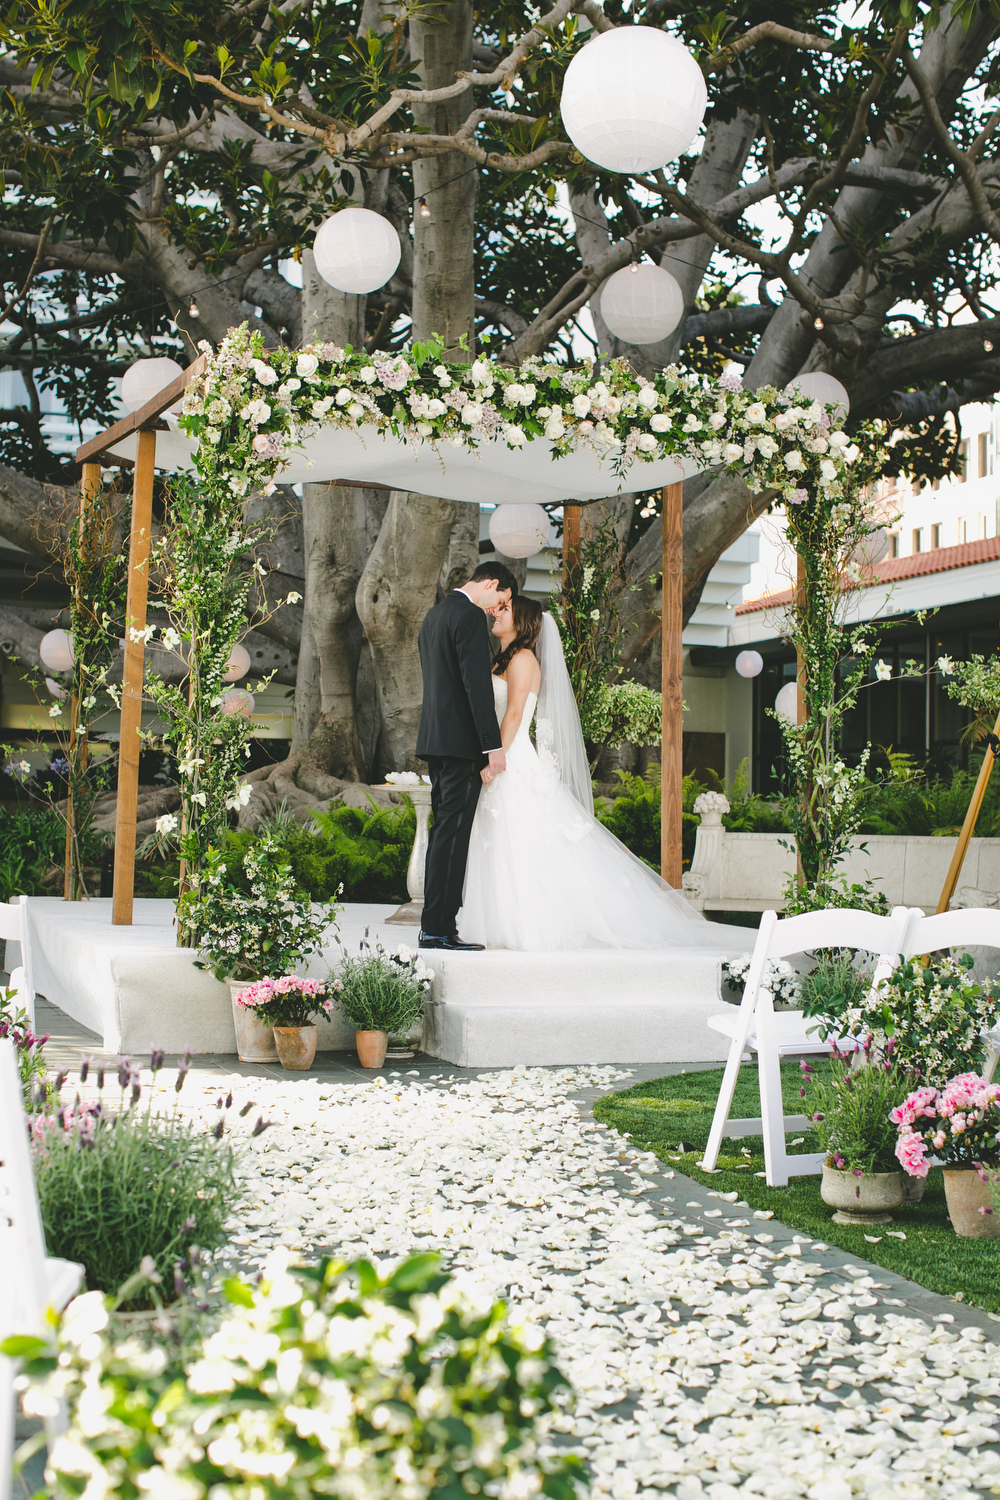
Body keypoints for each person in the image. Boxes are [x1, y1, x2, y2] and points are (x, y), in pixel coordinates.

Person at [459, 596, 748, 952]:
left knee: (518, 841)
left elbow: (515, 714)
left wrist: (495, 758)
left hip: (511, 758)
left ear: (521, 622)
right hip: (504, 755)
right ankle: (500, 922)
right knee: (505, 841)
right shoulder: (504, 659)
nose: (497, 613)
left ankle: (527, 924)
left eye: (505, 610)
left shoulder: (522, 659)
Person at [415, 561, 520, 951]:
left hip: (436, 740)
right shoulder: (470, 616)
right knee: (453, 836)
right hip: (462, 746)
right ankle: (438, 929)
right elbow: (477, 686)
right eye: (501, 600)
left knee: (443, 833)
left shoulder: (434, 616)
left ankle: (434, 925)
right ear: (491, 583)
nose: (496, 609)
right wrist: (492, 747)